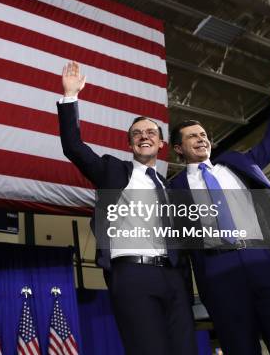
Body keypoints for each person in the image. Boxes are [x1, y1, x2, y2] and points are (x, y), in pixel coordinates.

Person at [169, 70, 270, 354]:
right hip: (216, 268)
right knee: (239, 345)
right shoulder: (173, 189)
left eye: (203, 135)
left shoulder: (236, 163)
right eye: (192, 137)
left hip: (261, 257)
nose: (201, 139)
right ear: (179, 148)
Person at [57, 61, 196, 355]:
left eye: (150, 133)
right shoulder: (112, 171)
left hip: (174, 278)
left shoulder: (170, 188)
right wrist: (70, 96)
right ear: (131, 143)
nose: (143, 136)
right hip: (132, 275)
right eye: (137, 133)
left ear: (161, 144)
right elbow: (73, 147)